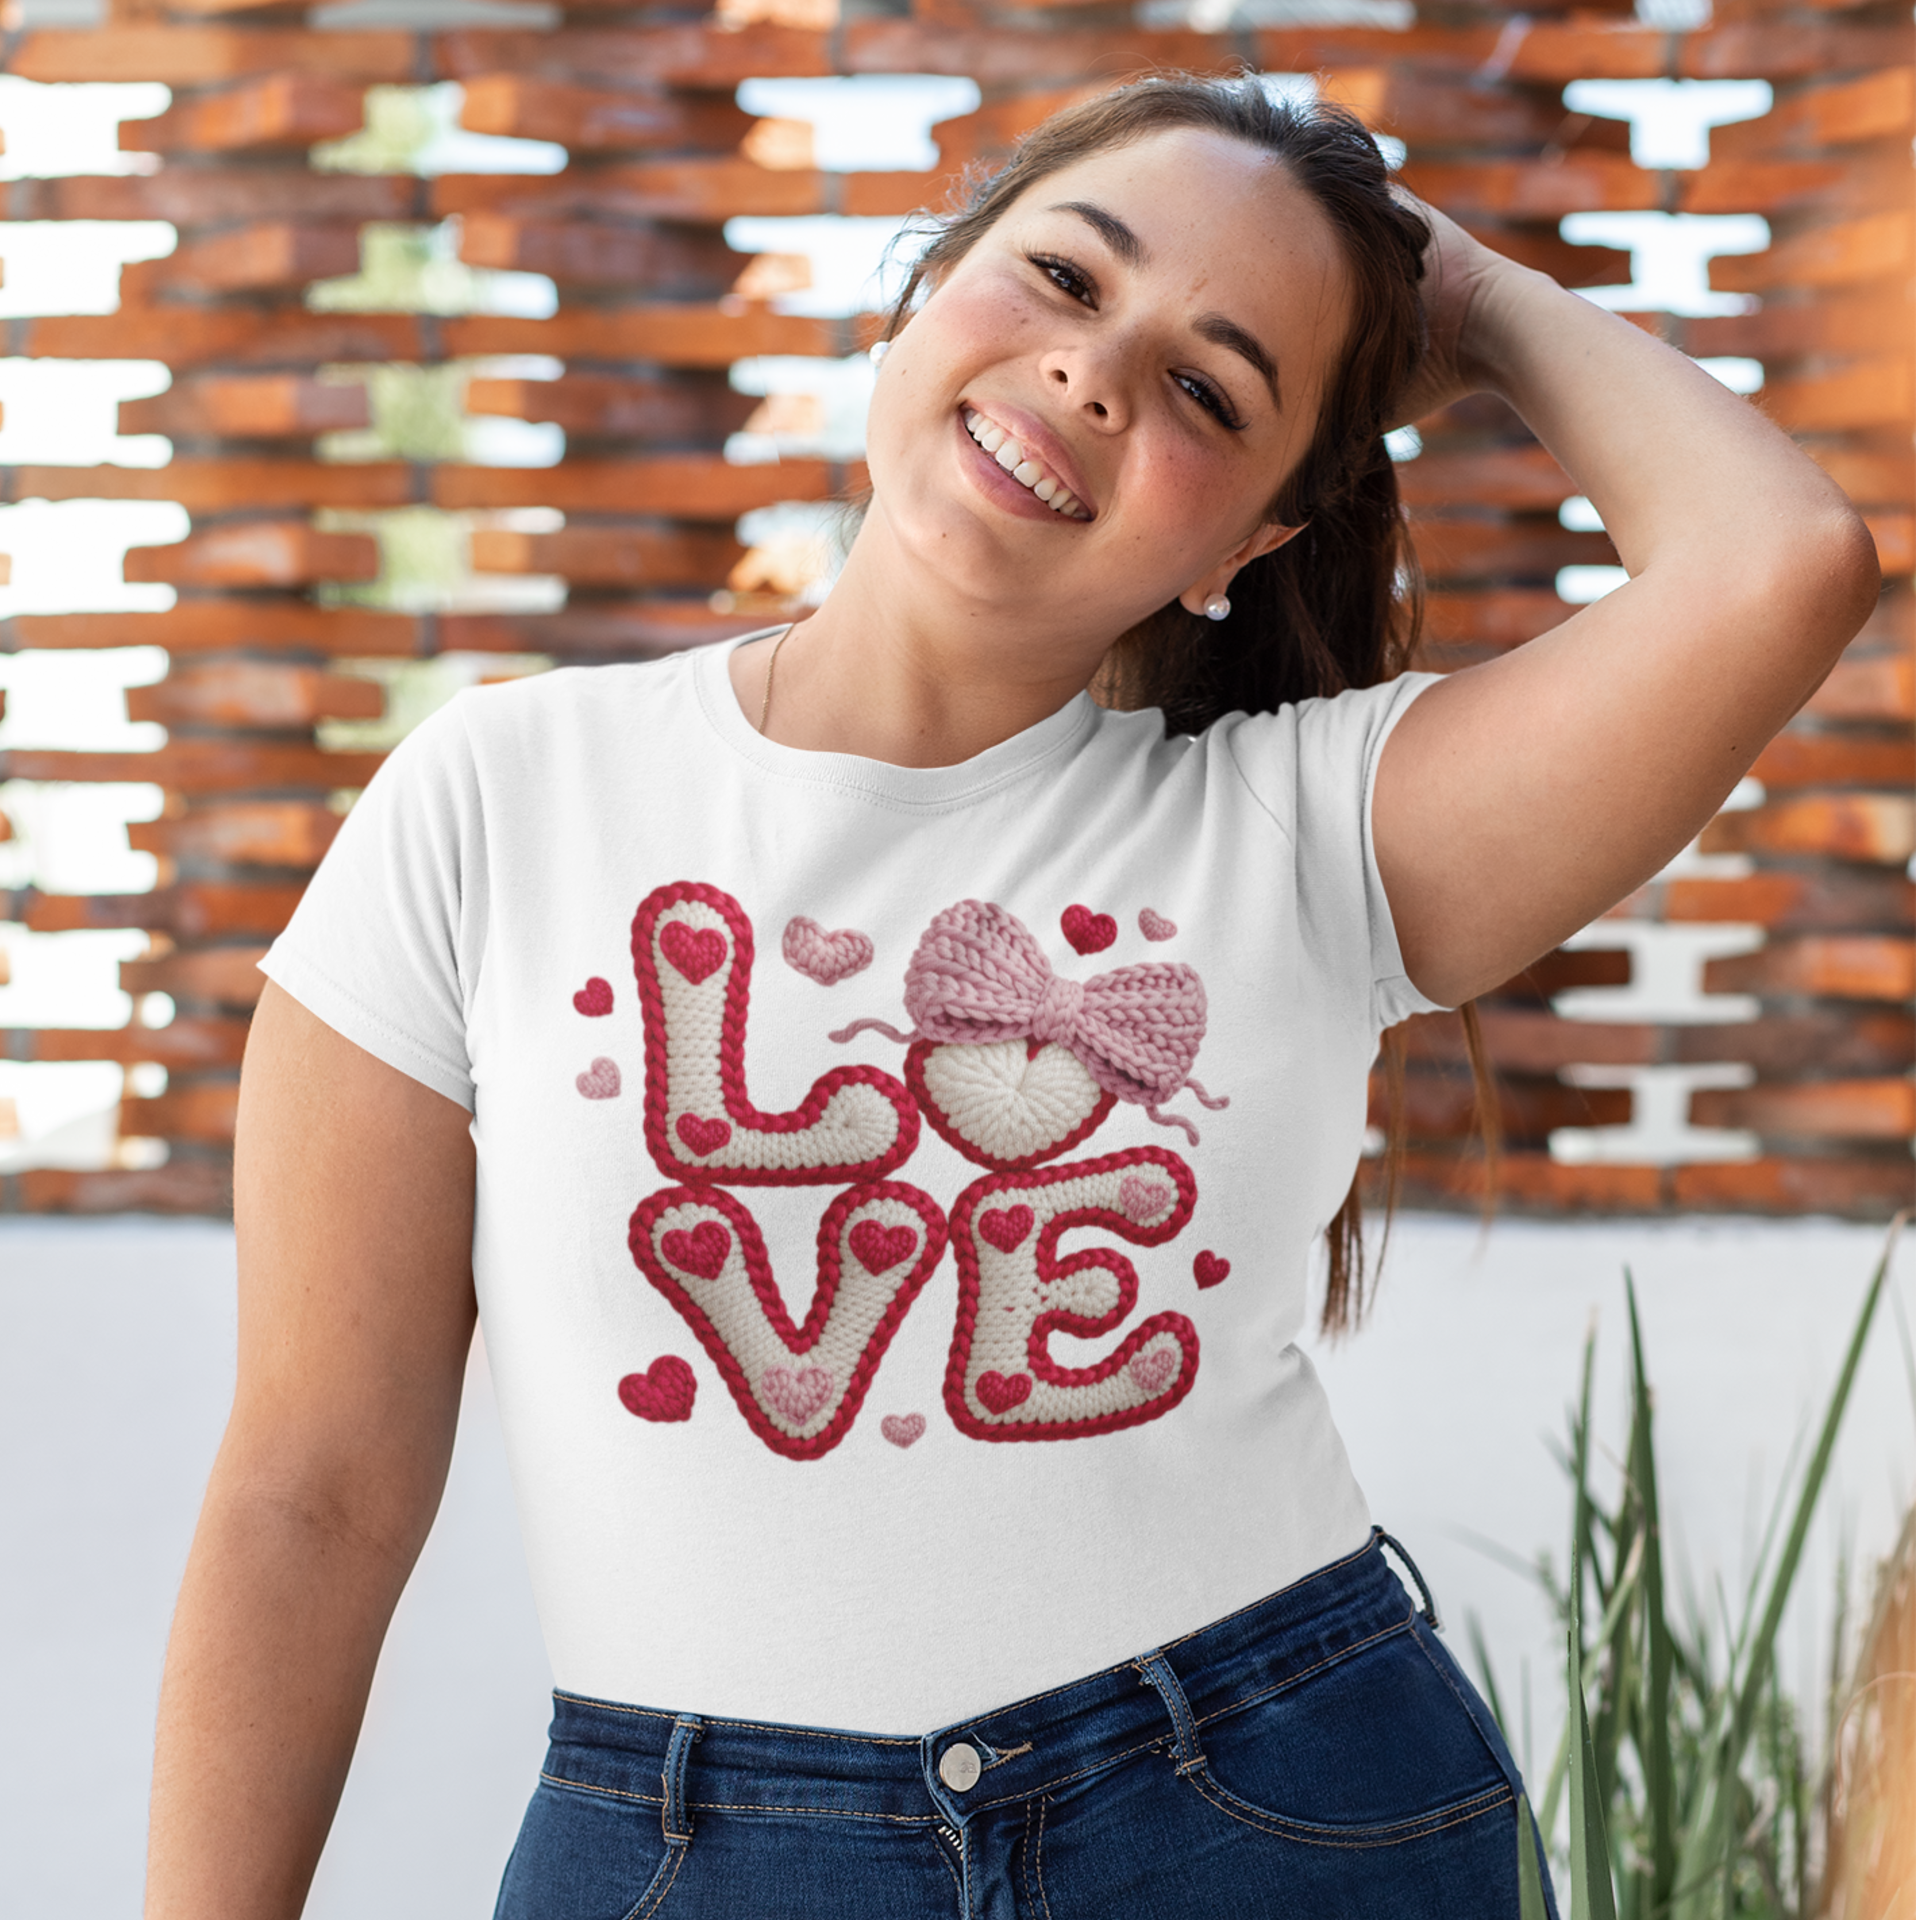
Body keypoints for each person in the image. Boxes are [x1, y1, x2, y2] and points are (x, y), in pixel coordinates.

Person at [143, 75, 1878, 1920]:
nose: (1094, 374)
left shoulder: (1308, 827)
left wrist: (1468, 297)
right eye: (1064, 276)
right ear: (928, 283)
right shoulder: (496, 797)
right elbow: (312, 1492)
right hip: (688, 1851)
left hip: (1263, 1817)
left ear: (1249, 546)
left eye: (1210, 387)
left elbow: (1781, 565)